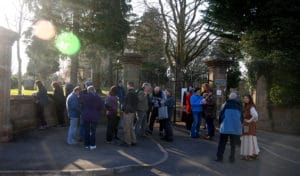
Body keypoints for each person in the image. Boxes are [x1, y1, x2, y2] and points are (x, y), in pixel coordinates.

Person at [215, 92, 243, 163]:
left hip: (225, 127)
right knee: (233, 144)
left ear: (229, 98)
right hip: (235, 128)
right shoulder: (239, 106)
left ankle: (219, 157)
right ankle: (232, 158)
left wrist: (221, 124)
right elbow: (241, 118)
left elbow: (221, 116)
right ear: (236, 98)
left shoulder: (225, 104)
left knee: (222, 143)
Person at [81, 86, 104, 150]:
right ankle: (92, 145)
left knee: (87, 130)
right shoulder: (98, 97)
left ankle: (86, 144)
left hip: (86, 115)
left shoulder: (84, 97)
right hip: (94, 115)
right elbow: (101, 107)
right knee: (93, 131)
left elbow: (81, 103)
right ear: (94, 90)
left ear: (88, 91)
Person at [240, 94, 260, 160]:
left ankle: (250, 154)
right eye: (244, 98)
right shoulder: (247, 106)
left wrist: (249, 121)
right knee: (247, 139)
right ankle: (249, 154)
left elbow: (255, 115)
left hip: (250, 125)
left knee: (249, 139)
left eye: (247, 98)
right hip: (246, 125)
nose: (245, 99)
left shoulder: (251, 106)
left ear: (250, 99)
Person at [122, 81, 138, 146]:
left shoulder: (129, 93)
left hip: (128, 113)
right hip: (133, 112)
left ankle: (127, 142)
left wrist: (125, 110)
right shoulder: (135, 92)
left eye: (127, 85)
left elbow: (128, 104)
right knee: (131, 127)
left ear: (129, 85)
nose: (126, 86)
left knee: (126, 128)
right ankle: (133, 140)